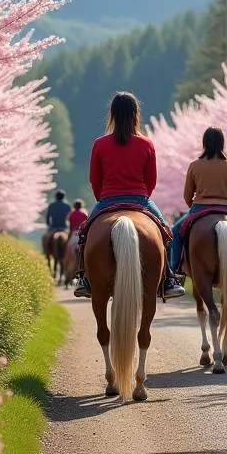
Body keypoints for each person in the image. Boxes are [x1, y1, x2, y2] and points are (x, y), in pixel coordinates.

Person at [73, 92, 185, 300]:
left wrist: (103, 199)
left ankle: (84, 278)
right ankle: (169, 278)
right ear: (135, 114)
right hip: (140, 200)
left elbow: (94, 179)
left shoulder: (100, 144)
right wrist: (141, 198)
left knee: (84, 233)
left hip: (107, 200)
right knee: (165, 233)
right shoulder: (147, 144)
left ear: (113, 114)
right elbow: (151, 180)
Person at [169, 127, 227, 275]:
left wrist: (194, 208)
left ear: (204, 143)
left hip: (199, 208)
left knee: (175, 233)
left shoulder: (195, 165)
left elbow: (187, 195)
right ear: (222, 142)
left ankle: (174, 270)